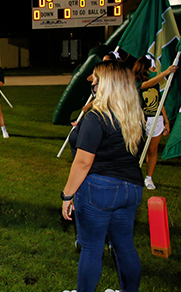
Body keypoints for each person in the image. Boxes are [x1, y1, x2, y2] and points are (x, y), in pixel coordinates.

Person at [61, 60, 145, 292]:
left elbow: (83, 161)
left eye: (96, 81)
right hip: (131, 188)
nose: (93, 85)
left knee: (91, 248)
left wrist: (67, 195)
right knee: (124, 245)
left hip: (99, 189)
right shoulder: (133, 115)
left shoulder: (97, 117)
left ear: (107, 85)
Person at [132, 55, 178, 190]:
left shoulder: (155, 82)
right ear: (145, 68)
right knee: (135, 150)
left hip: (156, 119)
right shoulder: (134, 82)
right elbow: (145, 85)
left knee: (152, 150)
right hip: (139, 120)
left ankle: (149, 178)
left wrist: (166, 121)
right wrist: (165, 73)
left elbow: (159, 101)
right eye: (152, 66)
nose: (154, 69)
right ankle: (132, 175)